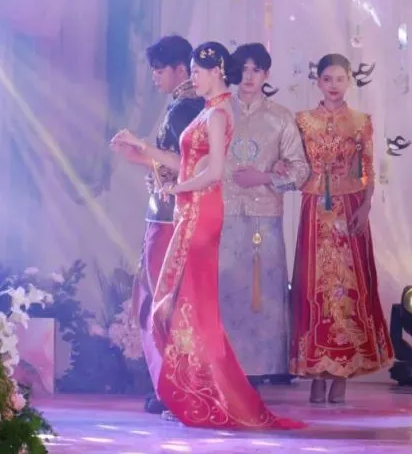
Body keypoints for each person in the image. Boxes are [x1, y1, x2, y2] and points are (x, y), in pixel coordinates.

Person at [113, 42, 304, 429]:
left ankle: (204, 392)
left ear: (216, 71)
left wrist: (177, 188)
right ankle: (193, 391)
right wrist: (143, 151)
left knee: (189, 304)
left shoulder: (218, 113)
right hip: (192, 209)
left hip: (203, 211)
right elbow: (183, 161)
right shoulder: (206, 110)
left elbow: (215, 172)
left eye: (198, 72)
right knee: (183, 305)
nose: (193, 78)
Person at [290, 53, 393, 404]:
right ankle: (315, 370)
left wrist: (366, 206)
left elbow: (368, 168)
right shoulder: (302, 121)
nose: (333, 86)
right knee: (314, 287)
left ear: (349, 81)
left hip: (350, 209)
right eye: (327, 79)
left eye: (340, 79)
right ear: (318, 81)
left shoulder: (361, 121)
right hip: (315, 211)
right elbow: (294, 163)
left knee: (349, 288)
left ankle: (342, 373)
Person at [109, 34, 203, 415]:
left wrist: (143, 149)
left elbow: (185, 166)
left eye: (159, 70)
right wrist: (140, 155)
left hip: (170, 217)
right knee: (163, 300)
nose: (154, 77)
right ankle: (171, 386)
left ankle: (174, 387)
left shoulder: (185, 109)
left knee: (163, 302)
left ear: (181, 69)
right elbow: (167, 163)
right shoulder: (183, 105)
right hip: (167, 212)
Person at [220, 43, 309, 386]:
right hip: (222, 213)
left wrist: (264, 177)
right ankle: (222, 364)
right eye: (243, 69)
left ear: (266, 74)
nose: (248, 77)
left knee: (262, 294)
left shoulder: (280, 117)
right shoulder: (218, 112)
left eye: (256, 70)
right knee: (224, 287)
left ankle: (260, 368)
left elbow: (300, 171)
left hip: (263, 217)